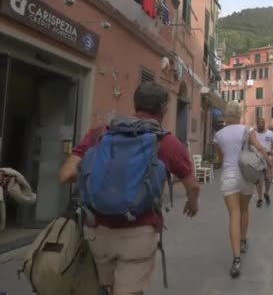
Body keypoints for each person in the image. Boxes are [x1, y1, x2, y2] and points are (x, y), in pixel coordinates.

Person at [58, 81, 200, 295]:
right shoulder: (167, 142)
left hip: (97, 232)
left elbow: (65, 174)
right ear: (164, 110)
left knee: (104, 288)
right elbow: (193, 185)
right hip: (138, 233)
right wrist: (192, 202)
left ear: (135, 105)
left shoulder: (99, 135)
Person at [213, 101, 273, 278]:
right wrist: (270, 165)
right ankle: (244, 240)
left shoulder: (219, 135)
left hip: (229, 176)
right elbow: (261, 148)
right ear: (239, 114)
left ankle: (236, 260)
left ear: (226, 115)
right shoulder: (247, 130)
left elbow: (220, 157)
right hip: (246, 175)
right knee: (245, 210)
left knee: (234, 215)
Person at [254, 118, 273, 208]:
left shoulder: (270, 133)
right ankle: (259, 198)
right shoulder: (254, 134)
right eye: (259, 123)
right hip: (257, 158)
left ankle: (266, 194)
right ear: (257, 124)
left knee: (268, 179)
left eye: (262, 123)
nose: (261, 124)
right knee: (258, 180)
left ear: (264, 124)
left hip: (268, 158)